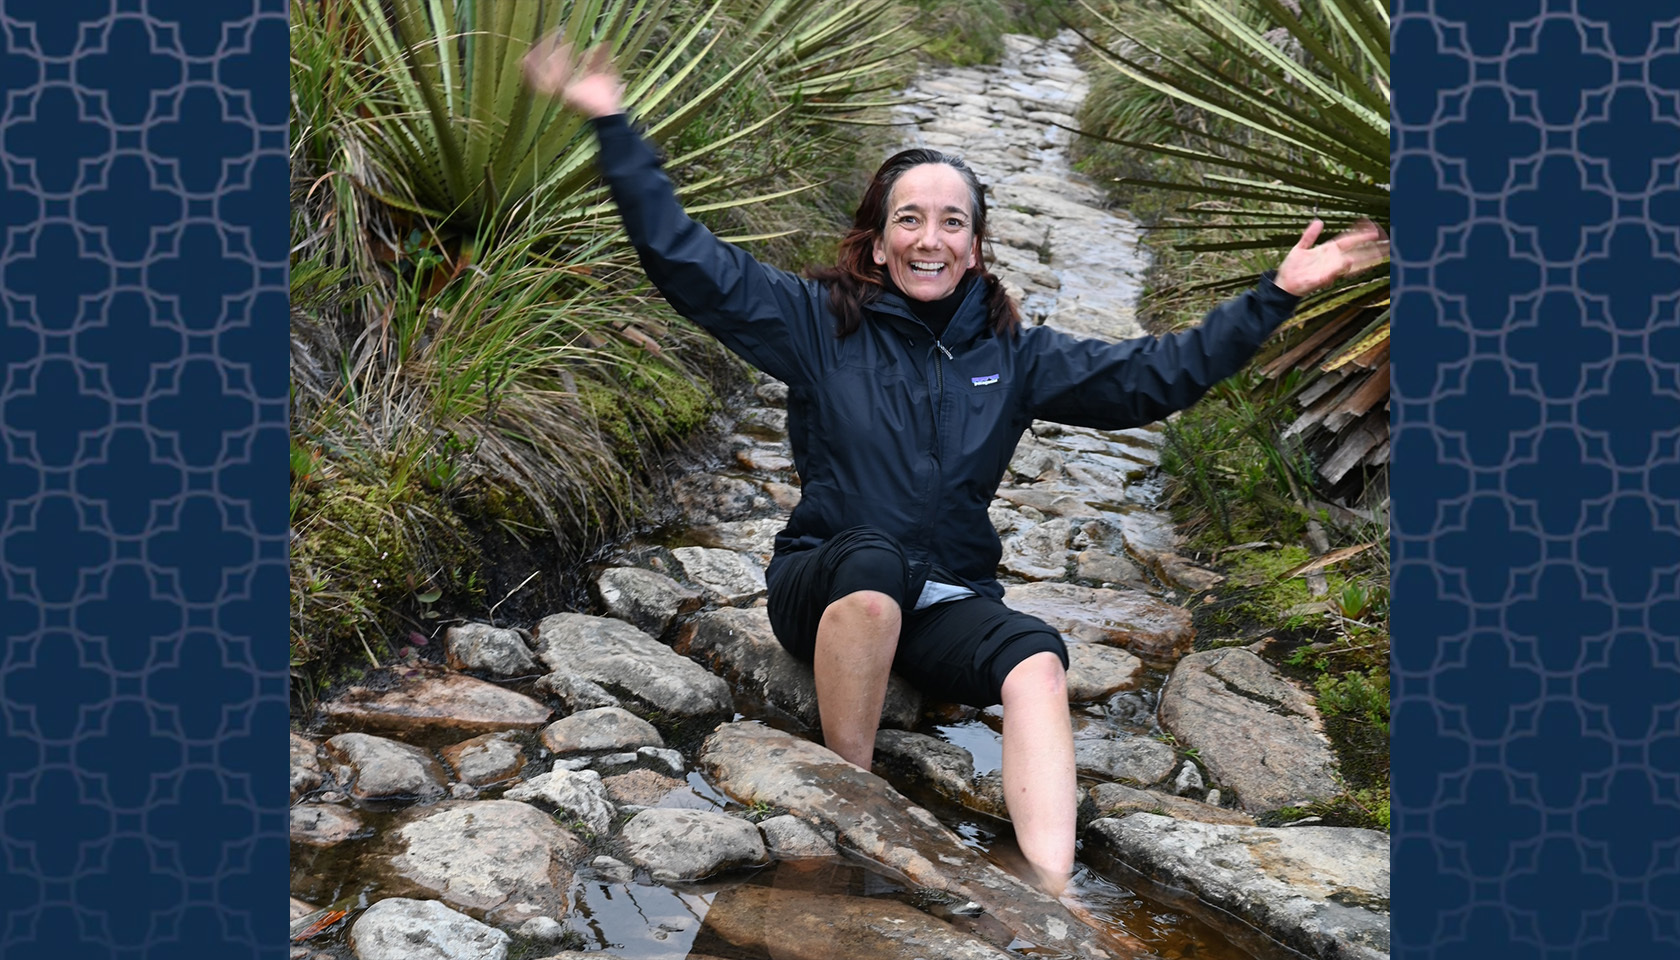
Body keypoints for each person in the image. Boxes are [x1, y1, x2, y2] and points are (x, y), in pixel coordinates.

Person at [523, 35, 1388, 896]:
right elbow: (683, 257)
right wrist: (612, 121)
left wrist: (1275, 296)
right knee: (872, 565)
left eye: (951, 221)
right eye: (910, 218)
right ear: (876, 242)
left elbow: (1151, 382)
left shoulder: (1014, 354)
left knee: (1039, 659)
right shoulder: (816, 322)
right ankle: (850, 801)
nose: (929, 238)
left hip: (942, 600)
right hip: (825, 586)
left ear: (975, 246)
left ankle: (1046, 894)